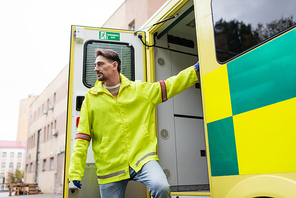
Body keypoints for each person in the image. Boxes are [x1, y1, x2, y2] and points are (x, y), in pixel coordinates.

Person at [68, 48, 200, 198]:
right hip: (110, 165)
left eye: (99, 64)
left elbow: (168, 85)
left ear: (114, 65)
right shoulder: (90, 99)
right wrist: (75, 172)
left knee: (161, 187)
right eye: (95, 65)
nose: (95, 68)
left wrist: (194, 70)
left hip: (142, 159)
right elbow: (82, 138)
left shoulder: (139, 90)